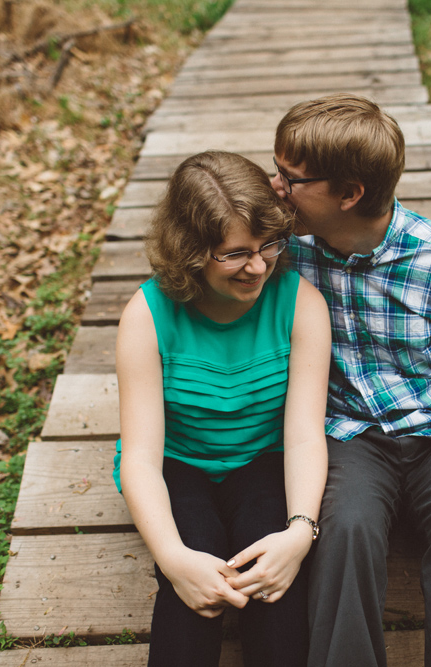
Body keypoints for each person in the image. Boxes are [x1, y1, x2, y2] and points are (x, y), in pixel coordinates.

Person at [271, 94, 431, 667]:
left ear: (349, 194)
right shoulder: (285, 252)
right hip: (350, 436)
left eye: (291, 178)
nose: (276, 187)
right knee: (344, 533)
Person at [114, 150, 330, 667]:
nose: (257, 265)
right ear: (191, 250)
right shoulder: (147, 315)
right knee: (196, 587)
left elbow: (303, 433)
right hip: (178, 463)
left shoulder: (300, 303)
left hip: (264, 460)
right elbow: (140, 457)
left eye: (268, 245)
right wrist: (172, 559)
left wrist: (300, 532)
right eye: (234, 253)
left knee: (272, 584)